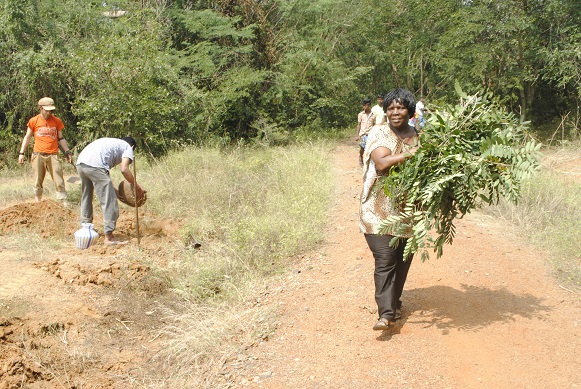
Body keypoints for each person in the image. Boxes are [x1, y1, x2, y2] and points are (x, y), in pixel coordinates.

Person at [359, 88, 420, 331]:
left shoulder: (418, 135)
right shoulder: (379, 133)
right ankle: (385, 314)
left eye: (401, 107)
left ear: (410, 111)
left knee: (402, 260)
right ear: (386, 111)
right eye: (391, 108)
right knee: (385, 259)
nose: (396, 112)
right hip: (377, 209)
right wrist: (412, 153)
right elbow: (382, 164)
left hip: (407, 210)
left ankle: (394, 302)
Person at [76, 137, 146, 245]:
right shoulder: (128, 147)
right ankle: (109, 237)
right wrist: (138, 188)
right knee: (110, 201)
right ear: (132, 147)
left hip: (81, 163)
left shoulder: (112, 144)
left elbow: (103, 174)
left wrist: (115, 191)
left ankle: (86, 229)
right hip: (95, 166)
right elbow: (124, 169)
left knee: (86, 195)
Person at [18, 97, 73, 204]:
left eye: (51, 110)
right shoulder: (34, 121)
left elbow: (61, 138)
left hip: (53, 155)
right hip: (38, 154)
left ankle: (63, 202)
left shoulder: (56, 121)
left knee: (59, 179)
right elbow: (27, 137)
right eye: (46, 110)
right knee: (38, 180)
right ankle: (38, 201)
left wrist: (68, 152)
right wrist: (21, 153)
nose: (49, 112)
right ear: (40, 108)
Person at [356, 98, 374, 166]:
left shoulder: (373, 115)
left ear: (369, 105)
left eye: (367, 105)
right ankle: (360, 157)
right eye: (364, 105)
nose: (365, 107)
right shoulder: (361, 114)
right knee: (362, 148)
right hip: (363, 134)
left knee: (369, 148)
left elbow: (374, 125)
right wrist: (357, 135)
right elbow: (359, 125)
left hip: (370, 134)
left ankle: (368, 161)